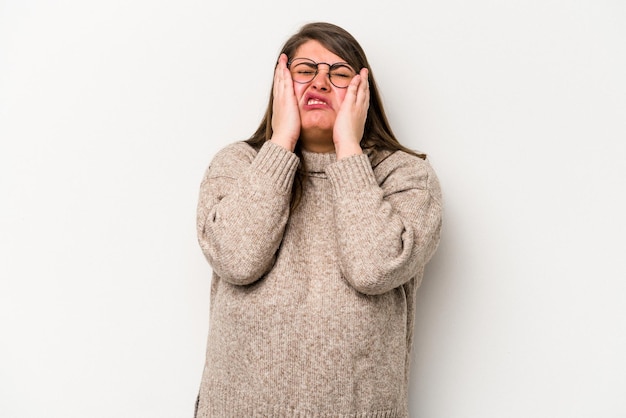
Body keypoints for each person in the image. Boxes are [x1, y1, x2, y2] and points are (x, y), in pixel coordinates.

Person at [194, 21, 443, 418]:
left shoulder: (406, 176)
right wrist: (280, 143)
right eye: (305, 71)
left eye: (340, 73)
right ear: (280, 83)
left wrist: (348, 148)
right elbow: (237, 259)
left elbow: (374, 268)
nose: (320, 83)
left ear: (364, 94)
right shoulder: (237, 164)